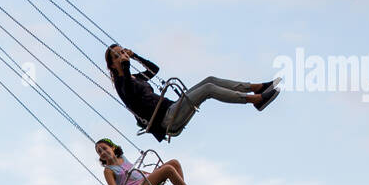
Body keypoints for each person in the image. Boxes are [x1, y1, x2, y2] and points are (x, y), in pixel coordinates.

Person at [105, 44, 279, 141]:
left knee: (210, 80)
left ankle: (257, 87)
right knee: (208, 89)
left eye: (122, 52)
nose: (122, 55)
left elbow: (154, 70)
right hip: (165, 120)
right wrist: (126, 66)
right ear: (113, 65)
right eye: (117, 55)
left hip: (172, 108)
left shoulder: (136, 78)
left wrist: (135, 56)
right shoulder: (121, 84)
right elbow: (128, 92)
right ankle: (255, 100)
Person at [96, 138, 210, 185]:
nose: (103, 152)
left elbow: (134, 171)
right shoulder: (108, 170)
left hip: (145, 180)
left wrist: (153, 174)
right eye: (99, 152)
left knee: (174, 163)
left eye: (104, 148)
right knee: (168, 169)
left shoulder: (122, 158)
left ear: (113, 147)